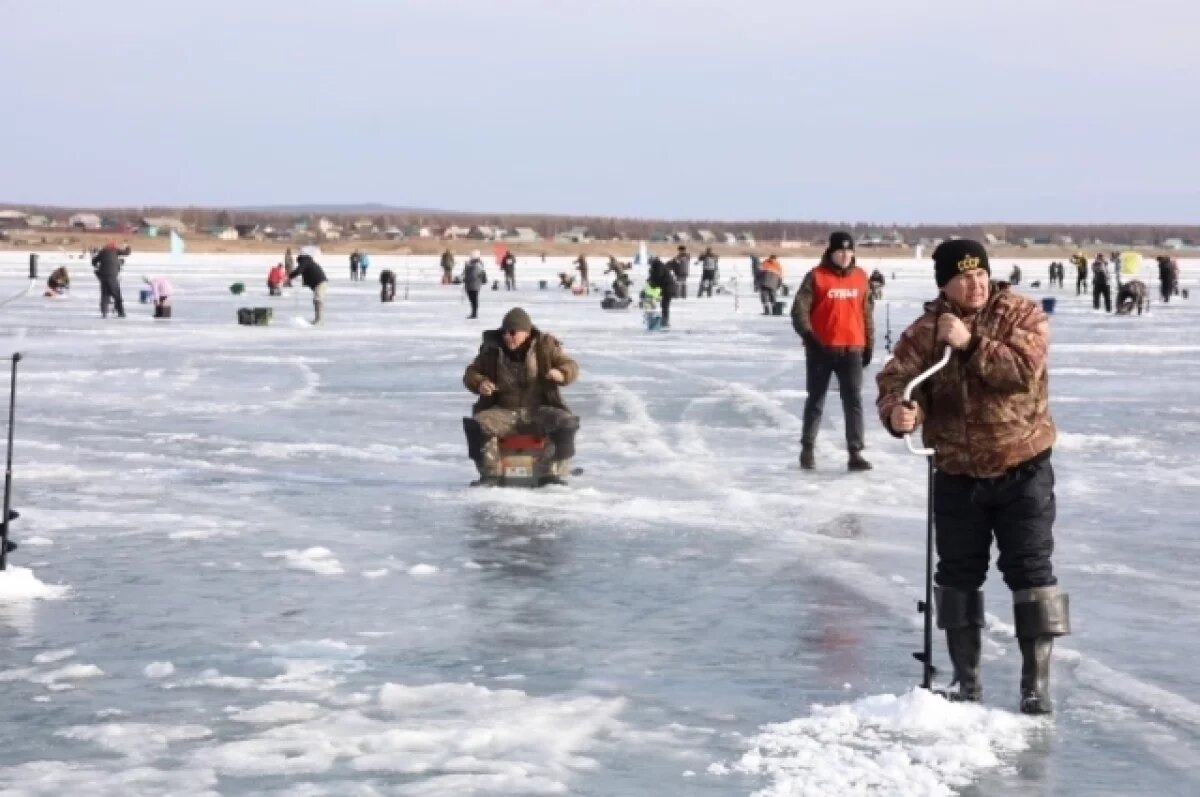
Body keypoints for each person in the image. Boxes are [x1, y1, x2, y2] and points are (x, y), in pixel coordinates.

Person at [875, 239, 1069, 715]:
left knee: (1031, 571)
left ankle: (1035, 685)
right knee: (958, 573)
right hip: (957, 474)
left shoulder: (1020, 314)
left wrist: (970, 343)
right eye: (963, 277)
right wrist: (898, 412)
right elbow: (895, 381)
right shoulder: (925, 332)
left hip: (1022, 467)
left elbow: (1023, 371)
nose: (975, 284)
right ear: (945, 284)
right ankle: (966, 682)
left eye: (980, 274)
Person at [463, 307, 580, 487]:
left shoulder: (545, 346)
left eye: (512, 332)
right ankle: (491, 474)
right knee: (478, 425)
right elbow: (471, 373)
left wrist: (562, 373)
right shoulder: (491, 350)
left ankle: (551, 473)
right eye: (504, 333)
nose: (507, 337)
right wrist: (480, 383)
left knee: (565, 422)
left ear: (526, 332)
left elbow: (571, 365)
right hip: (504, 411)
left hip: (537, 410)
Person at [792, 232, 874, 472]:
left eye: (849, 251)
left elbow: (867, 313)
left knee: (853, 400)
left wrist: (869, 343)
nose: (845, 255)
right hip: (821, 350)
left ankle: (855, 452)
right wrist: (810, 337)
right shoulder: (816, 277)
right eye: (840, 251)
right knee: (816, 399)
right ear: (831, 252)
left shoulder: (861, 277)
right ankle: (808, 448)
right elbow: (799, 311)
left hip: (852, 349)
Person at [91, 241, 131, 319]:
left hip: (103, 276)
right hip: (112, 276)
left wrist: (96, 265)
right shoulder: (115, 250)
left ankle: (104, 313)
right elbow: (127, 253)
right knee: (117, 295)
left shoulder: (102, 252)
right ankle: (121, 313)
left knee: (105, 295)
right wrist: (127, 246)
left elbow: (93, 262)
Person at [288, 251, 329, 324]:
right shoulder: (308, 262)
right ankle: (319, 319)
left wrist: (289, 276)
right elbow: (306, 275)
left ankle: (319, 319)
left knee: (317, 300)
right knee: (317, 300)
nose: (299, 264)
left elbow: (298, 271)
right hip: (319, 283)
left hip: (320, 283)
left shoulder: (305, 261)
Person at [647, 256, 677, 328]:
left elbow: (658, 276)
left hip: (668, 288)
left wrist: (651, 279)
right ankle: (664, 320)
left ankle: (665, 320)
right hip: (667, 287)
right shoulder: (659, 265)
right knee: (664, 304)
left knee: (665, 304)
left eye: (650, 263)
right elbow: (657, 276)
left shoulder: (658, 266)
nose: (650, 265)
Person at [462, 250, 487, 319]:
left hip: (474, 284)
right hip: (471, 284)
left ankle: (474, 313)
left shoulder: (477, 265)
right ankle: (473, 313)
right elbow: (466, 273)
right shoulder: (471, 264)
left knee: (473, 299)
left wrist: (466, 278)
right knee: (472, 299)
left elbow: (473, 275)